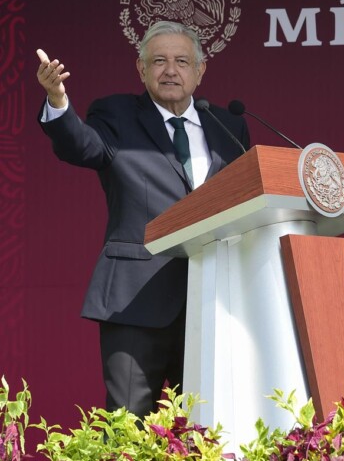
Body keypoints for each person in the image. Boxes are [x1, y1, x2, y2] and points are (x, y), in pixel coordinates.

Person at [36, 21, 250, 416]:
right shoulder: (116, 115)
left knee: (211, 426)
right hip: (135, 301)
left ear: (200, 70)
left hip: (214, 304)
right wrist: (58, 101)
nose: (171, 70)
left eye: (182, 61)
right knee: (128, 426)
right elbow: (81, 146)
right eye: (160, 61)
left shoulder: (228, 125)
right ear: (141, 69)